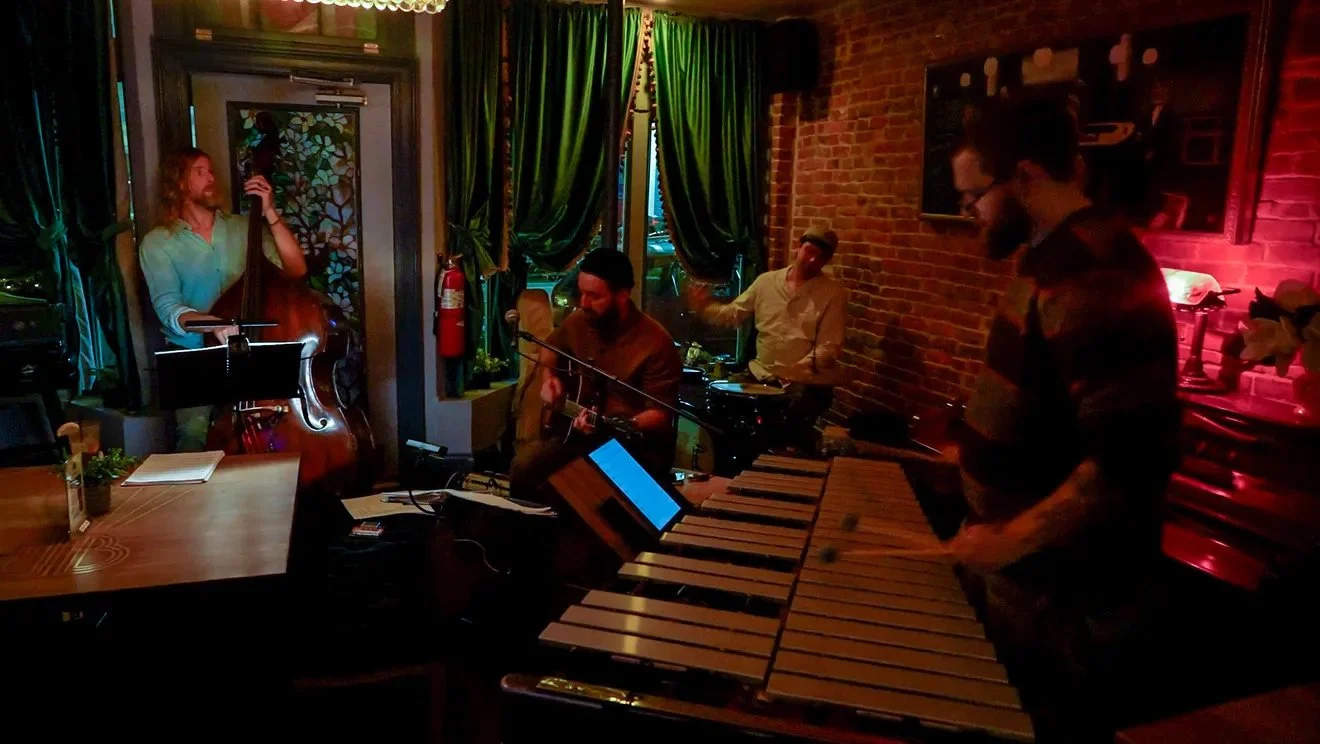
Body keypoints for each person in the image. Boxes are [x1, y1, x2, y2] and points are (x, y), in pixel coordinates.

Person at [944, 96, 1180, 742]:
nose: (969, 214)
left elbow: (1127, 460)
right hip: (1031, 584)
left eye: (974, 197)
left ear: (1024, 177)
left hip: (1067, 599)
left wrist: (1013, 535)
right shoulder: (1053, 257)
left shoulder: (1095, 271)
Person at [139, 147, 308, 450]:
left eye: (211, 171)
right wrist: (214, 325)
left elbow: (295, 271)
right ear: (178, 182)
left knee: (280, 436)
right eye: (200, 171)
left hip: (254, 350)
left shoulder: (245, 228)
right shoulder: (157, 243)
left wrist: (269, 212)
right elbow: (169, 307)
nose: (211, 178)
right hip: (194, 355)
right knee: (193, 434)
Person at [510, 248, 682, 494]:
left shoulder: (656, 342)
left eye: (594, 296)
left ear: (622, 295)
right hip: (579, 436)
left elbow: (660, 414)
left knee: (583, 493)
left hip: (630, 446)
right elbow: (549, 349)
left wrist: (617, 423)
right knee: (524, 470)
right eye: (581, 293)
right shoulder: (580, 321)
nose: (584, 303)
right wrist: (550, 378)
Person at [688, 225, 847, 448]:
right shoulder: (766, 282)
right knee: (721, 404)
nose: (812, 260)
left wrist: (792, 372)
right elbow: (733, 314)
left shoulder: (833, 293)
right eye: (809, 251)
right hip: (762, 373)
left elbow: (828, 348)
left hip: (806, 382)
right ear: (798, 247)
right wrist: (704, 307)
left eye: (821, 257)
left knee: (787, 426)